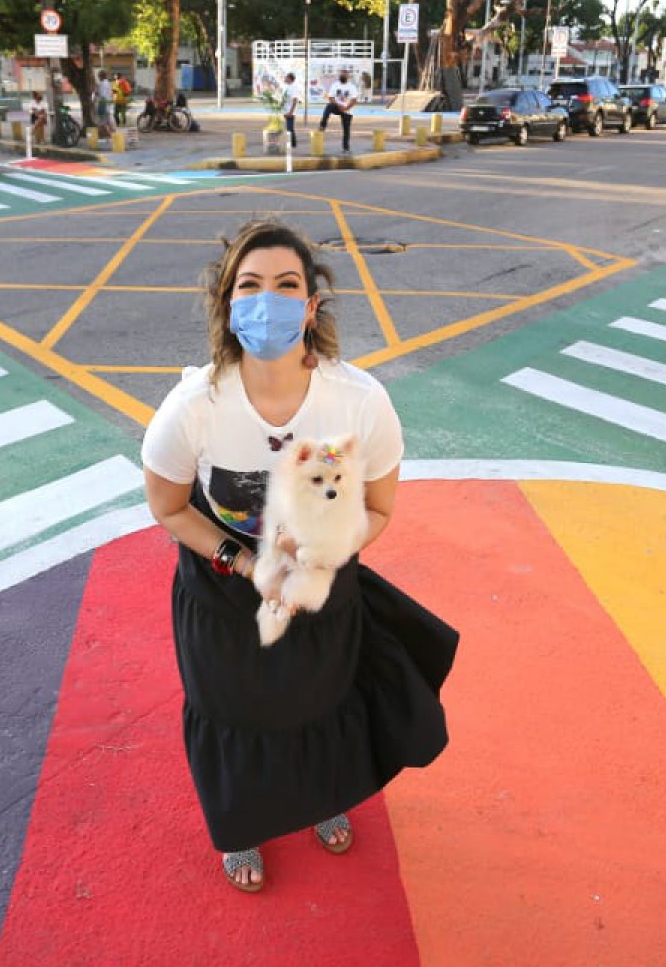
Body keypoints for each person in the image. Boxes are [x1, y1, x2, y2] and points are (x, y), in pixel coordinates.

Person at [139, 219, 455, 893]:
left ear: (312, 306)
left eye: (287, 285)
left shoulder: (361, 402)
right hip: (224, 590)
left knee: (319, 705)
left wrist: (328, 550)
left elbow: (378, 508)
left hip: (321, 584)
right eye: (249, 286)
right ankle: (242, 827)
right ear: (228, 305)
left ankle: (321, 795)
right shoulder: (194, 408)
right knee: (235, 712)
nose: (268, 301)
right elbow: (169, 508)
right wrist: (240, 558)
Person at [320, 70, 358, 153]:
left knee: (346, 130)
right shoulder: (335, 85)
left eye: (344, 75)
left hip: (347, 110)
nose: (342, 77)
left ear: (348, 77)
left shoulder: (351, 87)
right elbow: (331, 98)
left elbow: (354, 100)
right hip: (337, 107)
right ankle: (323, 125)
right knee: (329, 106)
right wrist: (338, 105)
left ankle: (346, 148)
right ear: (339, 77)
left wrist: (346, 108)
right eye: (341, 75)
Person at [280, 72, 303, 148]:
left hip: (290, 111)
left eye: (286, 77)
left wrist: (291, 112)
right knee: (288, 128)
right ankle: (292, 143)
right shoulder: (287, 87)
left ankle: (293, 144)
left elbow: (295, 100)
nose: (285, 78)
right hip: (286, 110)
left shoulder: (294, 88)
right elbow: (285, 98)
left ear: (289, 79)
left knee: (290, 128)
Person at [94, 70, 115, 136]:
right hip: (107, 104)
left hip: (102, 104)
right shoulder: (108, 83)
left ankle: (101, 135)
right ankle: (113, 134)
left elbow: (102, 95)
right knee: (107, 121)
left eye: (99, 76)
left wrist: (96, 93)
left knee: (101, 121)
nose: (98, 77)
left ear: (100, 76)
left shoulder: (101, 84)